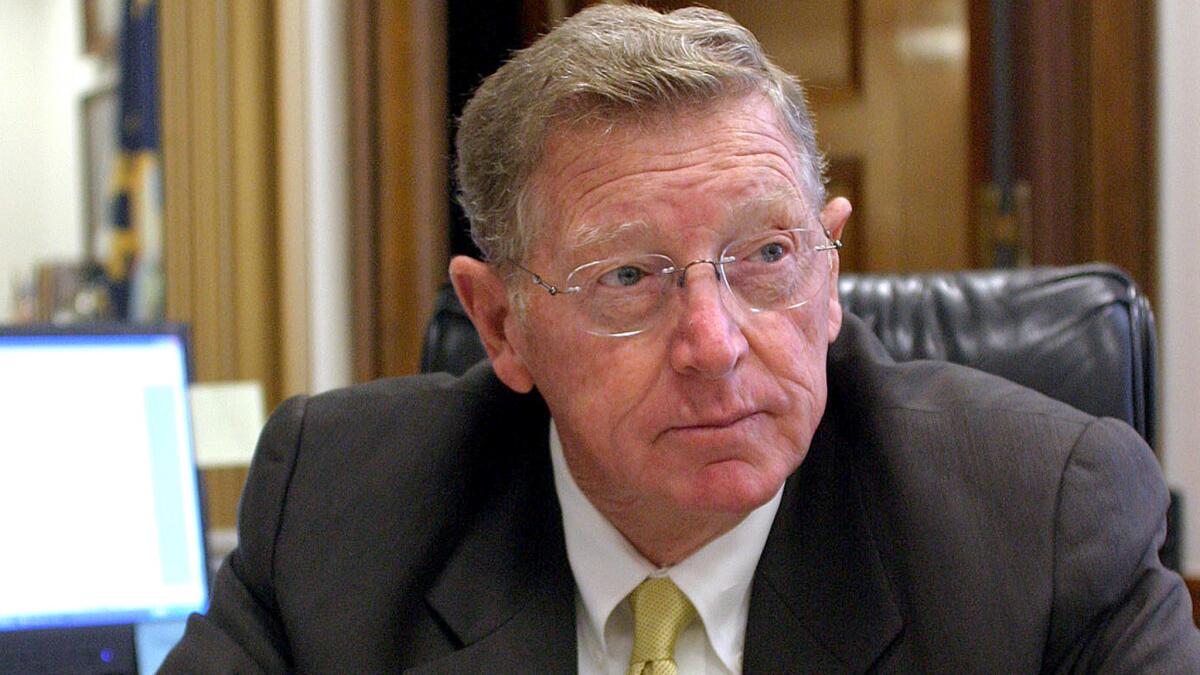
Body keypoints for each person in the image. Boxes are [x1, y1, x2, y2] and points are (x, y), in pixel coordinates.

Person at [163, 5, 1200, 673]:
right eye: (628, 277)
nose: (715, 343)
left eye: (765, 257)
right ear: (498, 323)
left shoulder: (1045, 526)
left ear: (830, 272)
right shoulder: (338, 513)